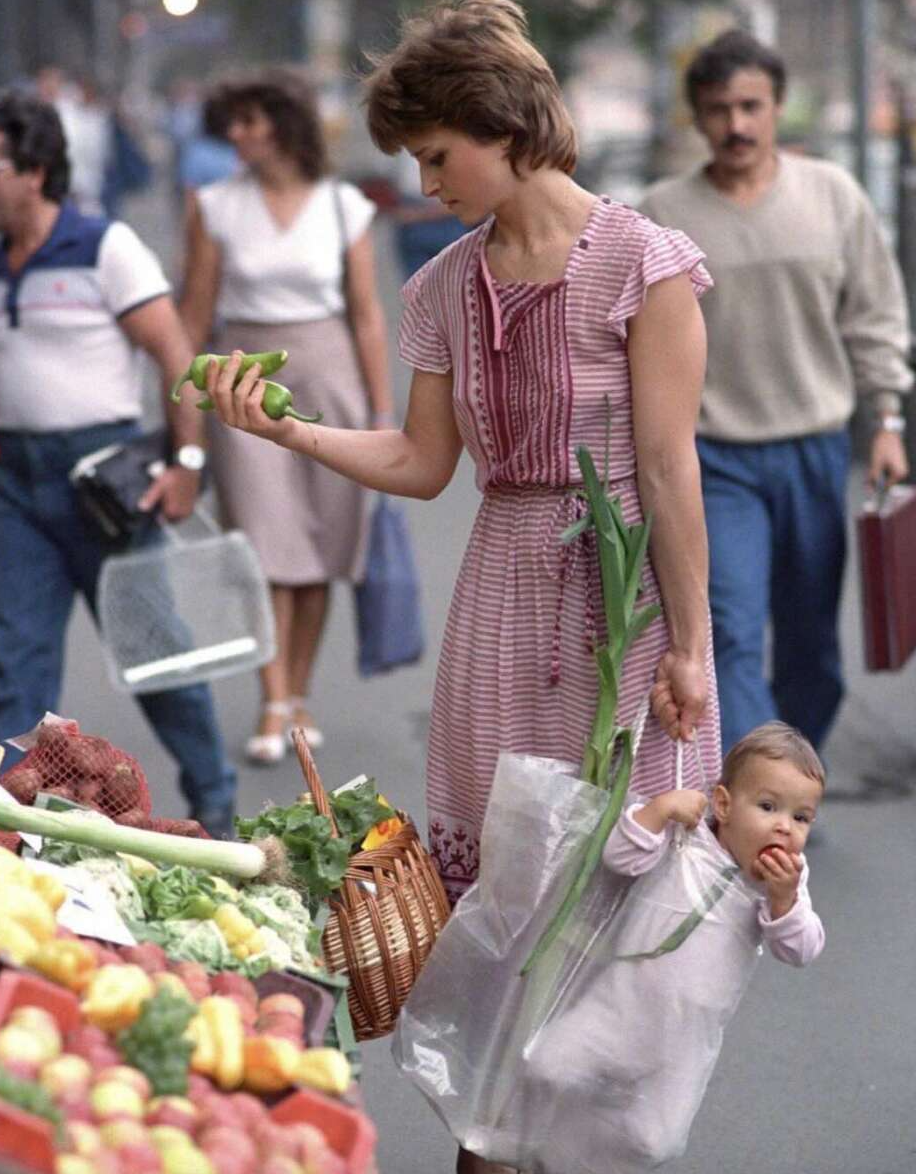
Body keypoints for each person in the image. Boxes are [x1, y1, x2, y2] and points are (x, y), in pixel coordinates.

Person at [204, 6, 718, 1164]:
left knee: (612, 888)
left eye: (437, 155)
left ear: (501, 126)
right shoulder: (440, 285)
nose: (425, 182)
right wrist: (288, 430)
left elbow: (669, 467)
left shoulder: (645, 261)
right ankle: (490, 1134)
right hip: (499, 594)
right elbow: (423, 465)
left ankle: (573, 1137)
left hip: (623, 602)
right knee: (499, 899)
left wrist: (688, 643)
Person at [638, 30, 913, 755]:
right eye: (719, 108)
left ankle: (791, 782)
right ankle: (753, 793)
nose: (737, 124)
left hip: (815, 450)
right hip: (713, 459)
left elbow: (877, 315)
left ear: (778, 108)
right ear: (696, 117)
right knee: (727, 629)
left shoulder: (833, 196)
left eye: (752, 106)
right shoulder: (662, 212)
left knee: (811, 644)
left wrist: (887, 420)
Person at [0, 90, 237, 839]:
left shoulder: (104, 247)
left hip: (100, 484)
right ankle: (17, 836)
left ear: (34, 171)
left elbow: (177, 360)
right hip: (12, 488)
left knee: (157, 658)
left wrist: (188, 461)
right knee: (15, 667)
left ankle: (217, 808)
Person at [179, 67, 394, 765]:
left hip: (329, 372)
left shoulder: (342, 205)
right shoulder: (213, 204)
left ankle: (298, 693)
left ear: (283, 123)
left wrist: (382, 410)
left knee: (323, 550)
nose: (237, 134)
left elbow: (366, 315)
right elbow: (194, 313)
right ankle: (273, 699)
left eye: (250, 120)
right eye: (231, 122)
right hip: (244, 378)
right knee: (266, 547)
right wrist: (183, 409)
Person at [526, 721, 824, 1171]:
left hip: (682, 1043)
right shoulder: (687, 838)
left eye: (800, 817)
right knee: (547, 1067)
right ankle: (552, 1157)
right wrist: (658, 811)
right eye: (768, 806)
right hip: (616, 1006)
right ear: (723, 804)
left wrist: (783, 902)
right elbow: (620, 858)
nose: (784, 827)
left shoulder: (783, 885)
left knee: (654, 1141)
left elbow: (802, 949)